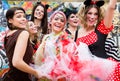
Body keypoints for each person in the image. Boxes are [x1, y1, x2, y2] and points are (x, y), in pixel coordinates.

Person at [34, 10, 120, 81]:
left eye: (62, 20)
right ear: (51, 21)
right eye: (56, 19)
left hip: (61, 76)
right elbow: (39, 57)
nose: (58, 22)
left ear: (64, 25)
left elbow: (73, 60)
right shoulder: (46, 38)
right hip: (46, 74)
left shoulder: (66, 39)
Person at [3, 7, 40, 81]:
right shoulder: (23, 33)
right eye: (19, 16)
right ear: (10, 20)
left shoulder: (7, 35)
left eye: (24, 16)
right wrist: (36, 72)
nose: (23, 19)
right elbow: (17, 62)